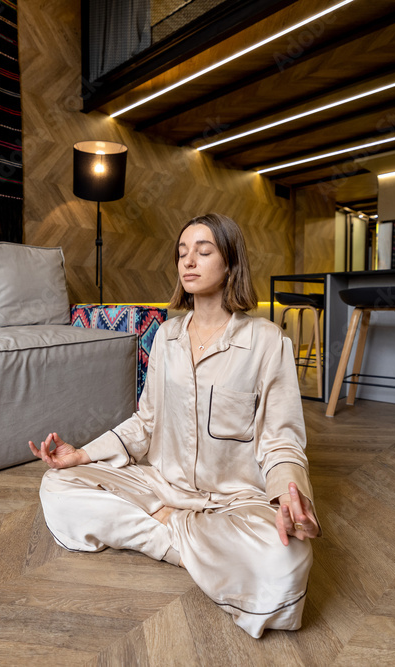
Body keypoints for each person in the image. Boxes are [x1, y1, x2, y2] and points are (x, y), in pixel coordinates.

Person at [28, 212, 320, 637]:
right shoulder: (165, 337)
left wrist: (290, 497)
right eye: (182, 253)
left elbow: (281, 440)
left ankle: (170, 534)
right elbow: (146, 422)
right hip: (161, 486)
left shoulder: (267, 341)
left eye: (203, 252)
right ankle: (203, 550)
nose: (189, 261)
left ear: (230, 263)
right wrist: (83, 455)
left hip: (234, 502)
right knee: (56, 487)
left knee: (288, 558)